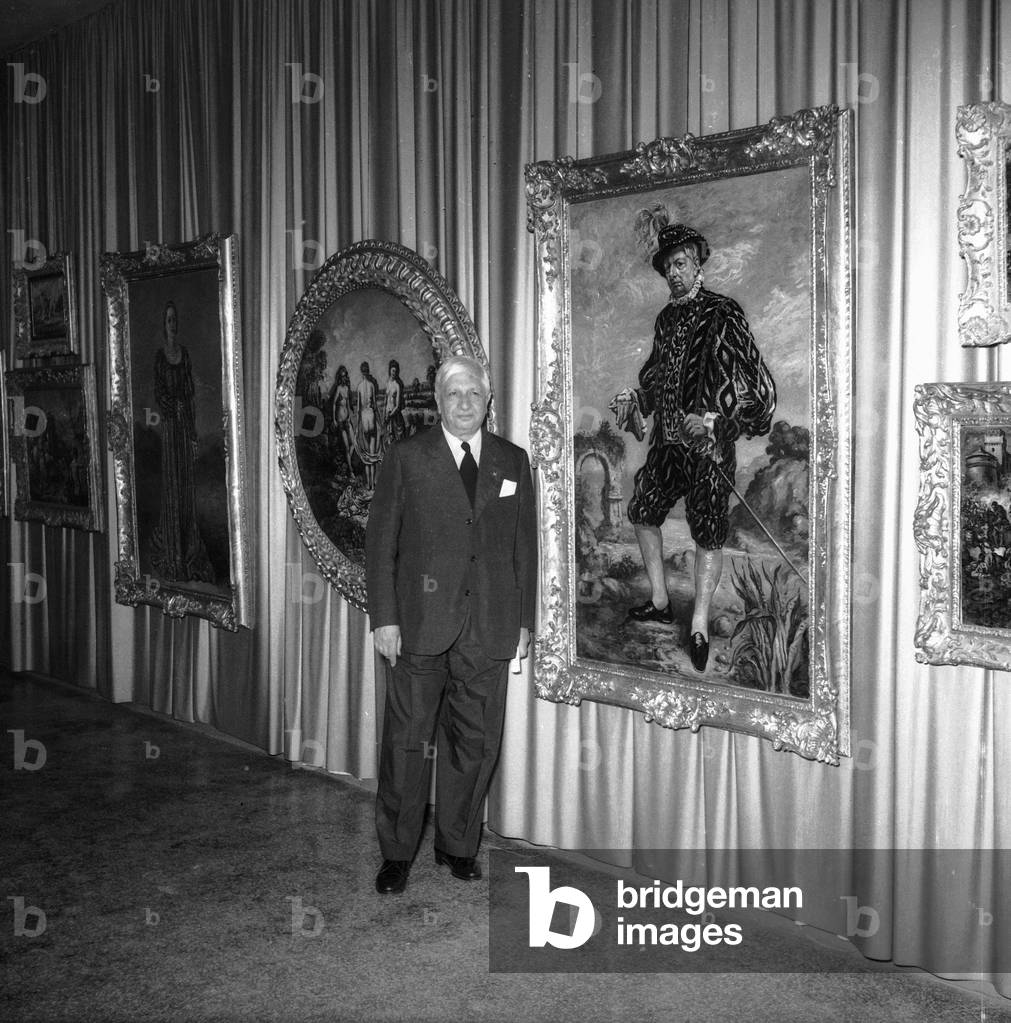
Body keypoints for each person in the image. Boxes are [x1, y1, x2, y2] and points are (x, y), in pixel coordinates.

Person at [365, 355, 537, 895]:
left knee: (475, 742)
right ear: (438, 402)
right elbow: (380, 544)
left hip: (488, 624)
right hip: (419, 625)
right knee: (407, 744)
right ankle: (397, 853)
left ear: (488, 401)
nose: (464, 403)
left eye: (473, 394)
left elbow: (524, 548)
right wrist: (385, 618)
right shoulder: (407, 456)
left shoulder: (513, 461)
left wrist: (524, 620)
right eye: (453, 394)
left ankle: (457, 845)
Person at [614, 222, 775, 672]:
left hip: (708, 450)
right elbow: (654, 378)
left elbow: (760, 391)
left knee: (707, 530)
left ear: (697, 262)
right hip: (666, 445)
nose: (674, 275)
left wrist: (718, 422)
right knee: (643, 510)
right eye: (668, 268)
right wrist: (635, 400)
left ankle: (699, 620)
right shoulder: (665, 320)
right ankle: (661, 601)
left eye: (681, 264)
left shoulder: (724, 313)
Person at [150, 299, 215, 583]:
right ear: (163, 326)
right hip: (170, 429)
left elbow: (189, 394)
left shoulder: (184, 355)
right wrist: (172, 408)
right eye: (168, 320)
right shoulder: (160, 357)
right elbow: (160, 393)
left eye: (174, 319)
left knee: (186, 489)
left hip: (183, 427)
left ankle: (187, 549)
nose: (172, 324)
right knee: (173, 487)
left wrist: (191, 432)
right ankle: (172, 552)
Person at [355, 360, 382, 488]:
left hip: (363, 418)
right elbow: (375, 406)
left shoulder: (359, 387)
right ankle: (373, 484)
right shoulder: (371, 385)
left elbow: (358, 408)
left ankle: (369, 485)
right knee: (373, 455)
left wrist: (357, 426)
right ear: (368, 371)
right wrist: (380, 423)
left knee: (366, 458)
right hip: (371, 417)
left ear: (361, 372)